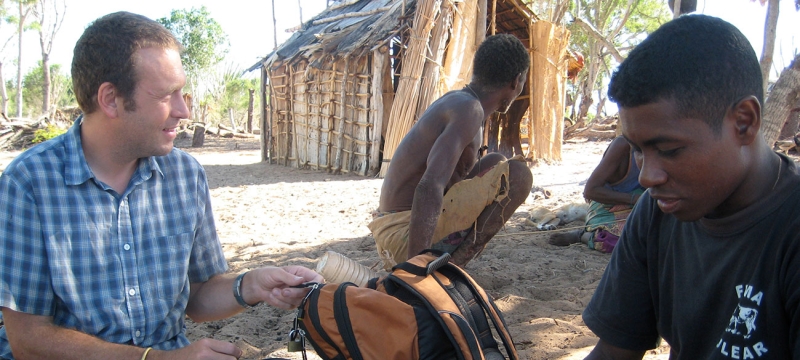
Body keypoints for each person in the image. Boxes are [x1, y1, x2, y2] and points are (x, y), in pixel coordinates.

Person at [0, 12, 322, 360]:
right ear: (110, 99)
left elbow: (197, 296)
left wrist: (253, 284)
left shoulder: (185, 176)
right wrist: (156, 359)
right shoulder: (29, 184)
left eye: (182, 92)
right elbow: (29, 340)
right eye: (167, 95)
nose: (183, 110)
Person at [582, 14, 800, 359]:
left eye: (669, 150)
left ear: (744, 122)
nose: (647, 177)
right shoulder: (657, 211)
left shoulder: (790, 231)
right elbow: (613, 352)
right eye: (638, 150)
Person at [368, 34, 534, 270]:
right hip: (402, 235)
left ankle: (441, 268)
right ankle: (449, 272)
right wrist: (415, 271)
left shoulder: (459, 101)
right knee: (519, 175)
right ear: (516, 81)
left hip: (393, 229)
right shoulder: (470, 109)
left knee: (496, 162)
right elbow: (430, 185)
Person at [548, 135, 645, 253]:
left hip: (641, 206)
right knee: (617, 242)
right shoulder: (623, 146)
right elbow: (590, 191)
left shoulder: (663, 145)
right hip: (609, 206)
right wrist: (634, 199)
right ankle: (582, 236)